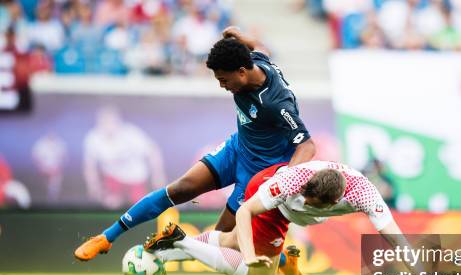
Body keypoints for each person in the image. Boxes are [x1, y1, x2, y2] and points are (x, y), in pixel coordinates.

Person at [74, 27, 316, 261]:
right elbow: (256, 47)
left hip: (259, 172)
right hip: (237, 150)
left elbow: (307, 146)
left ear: (242, 72)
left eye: (224, 80)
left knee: (221, 240)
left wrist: (283, 182)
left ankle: (282, 260)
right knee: (180, 188)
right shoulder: (253, 60)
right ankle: (106, 238)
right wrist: (238, 35)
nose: (222, 85)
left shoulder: (275, 103)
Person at [145, 161, 416, 275]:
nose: (305, 201)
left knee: (229, 241)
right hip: (268, 197)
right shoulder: (291, 183)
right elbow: (244, 212)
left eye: (310, 203)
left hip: (282, 206)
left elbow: (395, 236)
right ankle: (180, 241)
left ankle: (162, 255)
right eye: (305, 196)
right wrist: (250, 255)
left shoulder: (365, 195)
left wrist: (423, 274)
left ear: (334, 203)